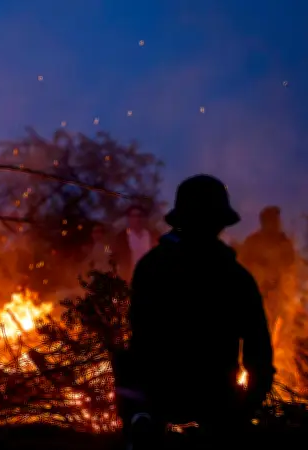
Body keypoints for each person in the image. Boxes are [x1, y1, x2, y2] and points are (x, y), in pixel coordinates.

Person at [115, 175, 275, 448]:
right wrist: (244, 412)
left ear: (179, 220)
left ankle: (140, 425)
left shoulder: (150, 267)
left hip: (158, 392)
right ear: (221, 223)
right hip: (216, 397)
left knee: (123, 359)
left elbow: (138, 333)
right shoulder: (237, 277)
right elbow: (258, 354)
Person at [239, 206, 296, 322]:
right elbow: (241, 266)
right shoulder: (253, 241)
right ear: (264, 222)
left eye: (277, 220)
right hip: (255, 293)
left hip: (278, 295)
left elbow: (291, 267)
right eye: (272, 220)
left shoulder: (284, 242)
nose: (276, 223)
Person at [111, 205, 159, 281]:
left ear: (144, 218)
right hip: (129, 277)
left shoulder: (153, 235)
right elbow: (114, 256)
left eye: (140, 216)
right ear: (129, 218)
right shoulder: (122, 237)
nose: (137, 219)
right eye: (133, 216)